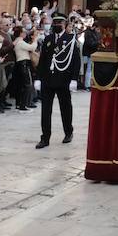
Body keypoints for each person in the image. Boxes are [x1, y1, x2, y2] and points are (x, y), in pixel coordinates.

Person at [34, 13, 80, 149]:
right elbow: (42, 60)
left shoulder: (71, 40)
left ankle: (68, 132)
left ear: (65, 24)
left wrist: (74, 79)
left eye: (59, 23)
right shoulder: (48, 39)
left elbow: (76, 61)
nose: (56, 25)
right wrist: (38, 78)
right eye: (55, 23)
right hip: (48, 79)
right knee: (45, 110)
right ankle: (45, 137)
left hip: (63, 79)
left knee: (65, 108)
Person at [13, 26, 36, 111]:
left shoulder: (18, 41)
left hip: (21, 64)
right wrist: (35, 40)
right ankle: (24, 105)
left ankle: (20, 104)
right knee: (27, 85)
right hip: (23, 64)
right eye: (23, 32)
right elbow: (32, 48)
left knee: (21, 85)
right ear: (20, 33)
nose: (25, 33)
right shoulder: (20, 42)